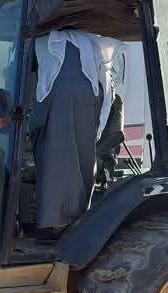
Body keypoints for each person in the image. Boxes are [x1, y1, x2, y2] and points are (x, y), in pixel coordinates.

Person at [30, 3, 125, 236]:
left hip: (63, 181)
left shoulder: (57, 79)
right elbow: (107, 129)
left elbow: (37, 121)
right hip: (86, 167)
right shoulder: (95, 80)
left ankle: (55, 224)